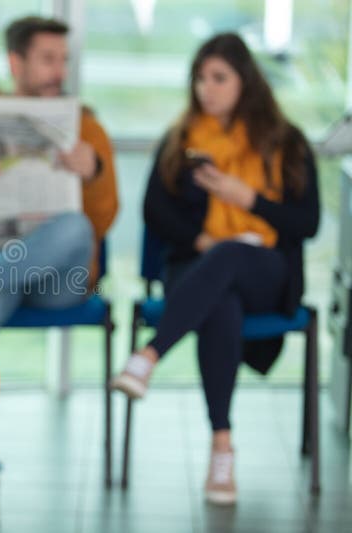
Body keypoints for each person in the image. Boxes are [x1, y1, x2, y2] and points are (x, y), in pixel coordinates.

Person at [111, 32, 320, 505]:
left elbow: (306, 222)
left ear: (245, 82)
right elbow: (154, 212)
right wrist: (202, 237)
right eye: (200, 78)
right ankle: (222, 448)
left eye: (219, 78)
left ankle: (148, 357)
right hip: (198, 265)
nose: (207, 88)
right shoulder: (181, 140)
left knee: (230, 259)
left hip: (267, 271)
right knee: (219, 301)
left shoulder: (286, 141)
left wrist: (247, 200)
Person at [0, 16, 119, 525]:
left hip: (58, 282)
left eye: (63, 60)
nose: (58, 70)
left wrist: (91, 173)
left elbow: (103, 219)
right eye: (47, 59)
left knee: (71, 226)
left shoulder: (86, 129)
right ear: (16, 63)